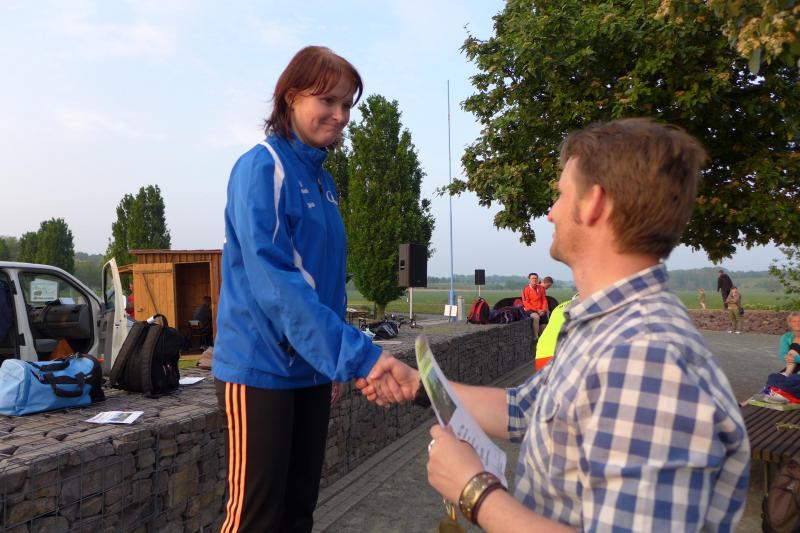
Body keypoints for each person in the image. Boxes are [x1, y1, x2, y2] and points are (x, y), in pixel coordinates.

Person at [359, 118, 750, 531]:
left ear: (595, 203)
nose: (550, 213)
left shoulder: (646, 359)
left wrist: (475, 491)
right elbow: (522, 410)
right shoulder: (603, 328)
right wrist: (418, 385)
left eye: (562, 195)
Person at [211, 46, 403, 533]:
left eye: (347, 105)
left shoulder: (324, 182)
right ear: (291, 97)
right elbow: (277, 283)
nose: (341, 116)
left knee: (299, 514)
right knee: (254, 518)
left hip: (311, 371)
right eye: (328, 101)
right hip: (260, 368)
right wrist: (355, 356)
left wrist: (328, 362)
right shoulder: (262, 168)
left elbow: (327, 285)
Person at [521, 273, 548, 340]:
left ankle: (542, 337)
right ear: (529, 280)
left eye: (536, 278)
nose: (534, 280)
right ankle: (535, 337)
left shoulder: (541, 288)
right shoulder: (526, 289)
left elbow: (544, 300)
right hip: (529, 309)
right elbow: (526, 303)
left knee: (544, 324)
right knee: (536, 317)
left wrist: (543, 309)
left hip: (540, 309)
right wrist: (537, 310)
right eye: (532, 278)